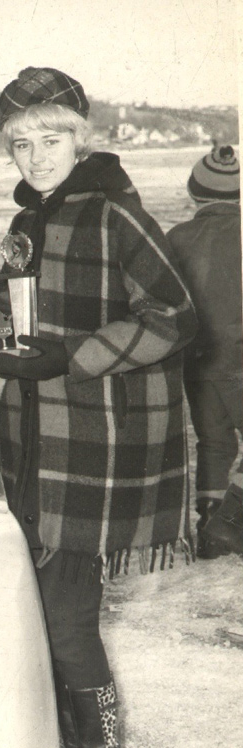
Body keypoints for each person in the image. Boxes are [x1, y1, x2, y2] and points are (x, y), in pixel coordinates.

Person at [0, 67, 198, 748]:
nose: (37, 157)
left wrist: (72, 355)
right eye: (22, 144)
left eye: (51, 140)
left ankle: (100, 740)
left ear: (80, 141)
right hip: (31, 446)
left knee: (67, 621)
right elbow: (3, 309)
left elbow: (174, 318)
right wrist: (0, 346)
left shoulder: (116, 215)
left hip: (90, 450)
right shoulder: (27, 220)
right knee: (36, 615)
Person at [167, 145, 243, 556]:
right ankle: (232, 519)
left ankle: (211, 523)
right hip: (240, 360)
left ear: (194, 192)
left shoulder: (176, 238)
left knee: (213, 442)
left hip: (197, 363)